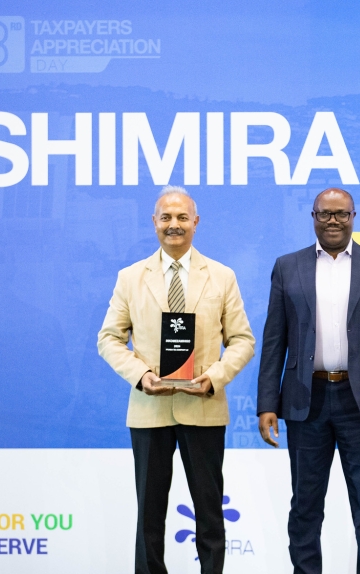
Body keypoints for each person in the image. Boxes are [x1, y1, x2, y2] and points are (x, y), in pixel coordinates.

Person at [256, 187, 360, 574]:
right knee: (305, 506)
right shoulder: (287, 266)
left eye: (341, 214)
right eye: (325, 214)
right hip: (303, 400)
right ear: (312, 217)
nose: (333, 221)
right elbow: (274, 340)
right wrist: (266, 404)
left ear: (353, 217)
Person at [97, 186, 255, 574]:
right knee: (149, 516)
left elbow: (242, 341)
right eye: (166, 218)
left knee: (209, 513)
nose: (174, 225)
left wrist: (214, 377)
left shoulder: (221, 276)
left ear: (196, 223)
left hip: (203, 406)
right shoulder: (130, 278)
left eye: (182, 217)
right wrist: (142, 375)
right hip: (149, 410)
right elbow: (109, 339)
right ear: (154, 223)